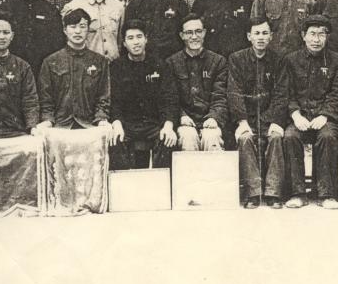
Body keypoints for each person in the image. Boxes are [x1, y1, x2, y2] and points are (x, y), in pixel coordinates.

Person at [281, 15, 338, 209]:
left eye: (321, 34)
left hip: (326, 118)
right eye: (312, 34)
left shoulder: (337, 61)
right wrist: (295, 114)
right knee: (290, 136)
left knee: (327, 136)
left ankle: (327, 194)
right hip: (299, 116)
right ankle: (297, 193)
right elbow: (286, 92)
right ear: (303, 36)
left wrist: (325, 115)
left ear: (327, 37)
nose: (316, 39)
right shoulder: (291, 60)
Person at [228, 19, 288, 208]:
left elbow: (281, 94)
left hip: (271, 118)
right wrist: (242, 121)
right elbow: (234, 93)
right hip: (246, 118)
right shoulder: (237, 59)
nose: (260, 38)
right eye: (256, 33)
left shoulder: (279, 60)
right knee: (245, 138)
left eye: (264, 33)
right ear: (249, 36)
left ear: (271, 36)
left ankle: (273, 193)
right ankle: (253, 193)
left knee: (276, 137)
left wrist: (274, 120)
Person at [159, 15, 229, 153]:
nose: (194, 36)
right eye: (189, 33)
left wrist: (214, 117)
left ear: (204, 33)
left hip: (210, 120)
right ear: (182, 36)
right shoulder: (171, 63)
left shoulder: (218, 61)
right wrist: (181, 116)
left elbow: (220, 96)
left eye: (198, 31)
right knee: (187, 137)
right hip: (185, 121)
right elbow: (170, 98)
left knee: (211, 137)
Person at [36, 9, 113, 131]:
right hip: (60, 125)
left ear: (88, 29)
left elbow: (103, 96)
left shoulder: (100, 61)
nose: (78, 31)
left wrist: (101, 119)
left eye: (82, 26)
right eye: (73, 27)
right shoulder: (50, 61)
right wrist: (47, 120)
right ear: (65, 30)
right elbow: (45, 98)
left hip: (89, 125)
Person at [109, 21, 171, 170]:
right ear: (124, 43)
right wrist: (117, 123)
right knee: (115, 140)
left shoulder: (160, 65)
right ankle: (124, 184)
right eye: (130, 38)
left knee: (168, 139)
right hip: (127, 124)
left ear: (146, 39)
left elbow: (169, 99)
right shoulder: (116, 67)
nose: (135, 42)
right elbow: (114, 101)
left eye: (139, 36)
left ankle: (160, 183)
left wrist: (168, 125)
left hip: (153, 124)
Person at [0, 0, 63, 76]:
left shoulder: (50, 10)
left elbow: (57, 44)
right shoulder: (6, 8)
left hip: (43, 70)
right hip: (11, 69)